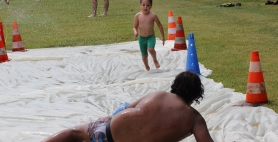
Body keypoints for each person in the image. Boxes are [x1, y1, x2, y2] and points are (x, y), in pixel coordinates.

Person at [41, 71, 214, 142]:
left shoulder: (158, 94)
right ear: (195, 95)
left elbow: (126, 108)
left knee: (76, 132)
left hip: (111, 131)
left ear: (175, 85)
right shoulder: (194, 118)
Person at [133, 0, 165, 71]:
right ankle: (147, 66)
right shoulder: (138, 16)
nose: (145, 7)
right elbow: (134, 27)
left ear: (151, 6)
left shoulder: (153, 16)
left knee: (150, 49)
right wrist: (135, 32)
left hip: (151, 37)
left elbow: (160, 26)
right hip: (142, 38)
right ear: (140, 5)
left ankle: (155, 59)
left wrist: (163, 37)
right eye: (143, 5)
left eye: (147, 5)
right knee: (144, 56)